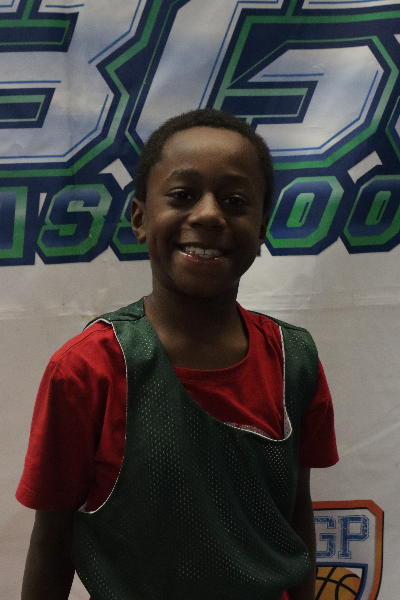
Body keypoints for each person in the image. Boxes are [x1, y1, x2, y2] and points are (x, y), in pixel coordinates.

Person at [17, 108, 338, 600]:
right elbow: (52, 541)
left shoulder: (292, 360)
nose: (208, 215)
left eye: (234, 201)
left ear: (262, 228)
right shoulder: (88, 368)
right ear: (140, 218)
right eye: (183, 195)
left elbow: (296, 511)